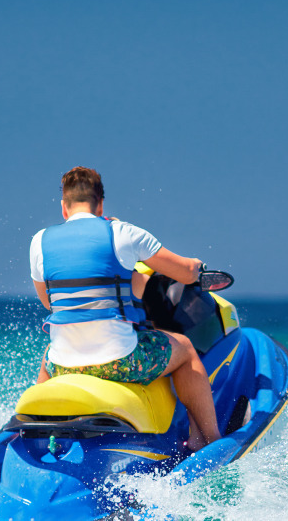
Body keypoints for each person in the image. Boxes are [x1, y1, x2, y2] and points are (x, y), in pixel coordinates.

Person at [29, 166, 221, 451]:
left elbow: (50, 303)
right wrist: (196, 266)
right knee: (185, 349)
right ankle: (207, 440)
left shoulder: (39, 241)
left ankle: (34, 434)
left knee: (50, 353)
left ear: (64, 207)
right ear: (101, 203)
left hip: (64, 366)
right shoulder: (123, 232)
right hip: (119, 361)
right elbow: (185, 273)